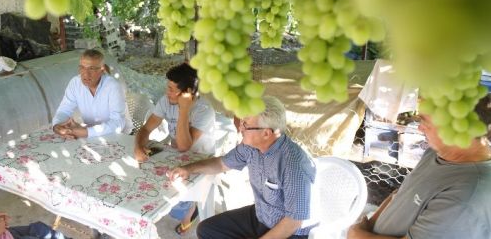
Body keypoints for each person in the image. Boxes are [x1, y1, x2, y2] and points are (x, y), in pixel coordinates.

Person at [347, 93, 491, 239]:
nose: (420, 128)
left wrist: (359, 236)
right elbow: (402, 193)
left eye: (425, 122)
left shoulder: (467, 197)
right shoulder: (437, 152)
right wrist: (369, 226)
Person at [168, 96, 316, 239]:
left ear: (266, 133)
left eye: (246, 124)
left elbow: (294, 221)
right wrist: (188, 169)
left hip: (290, 232)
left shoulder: (293, 164)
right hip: (262, 215)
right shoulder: (250, 147)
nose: (240, 127)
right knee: (207, 230)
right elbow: (221, 163)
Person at [133, 63, 216, 234]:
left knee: (180, 203)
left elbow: (185, 146)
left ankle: (192, 213)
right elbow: (146, 128)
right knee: (145, 181)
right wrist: (139, 146)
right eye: (167, 87)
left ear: (188, 93)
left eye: (171, 89)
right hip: (175, 156)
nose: (166, 93)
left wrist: (183, 109)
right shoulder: (166, 101)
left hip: (200, 160)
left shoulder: (204, 110)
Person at [52, 49, 132, 138]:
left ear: (102, 70)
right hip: (91, 134)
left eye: (92, 68)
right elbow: (64, 110)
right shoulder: (75, 83)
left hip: (119, 135)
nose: (86, 74)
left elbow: (118, 122)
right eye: (82, 67)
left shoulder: (113, 86)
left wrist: (85, 132)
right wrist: (57, 126)